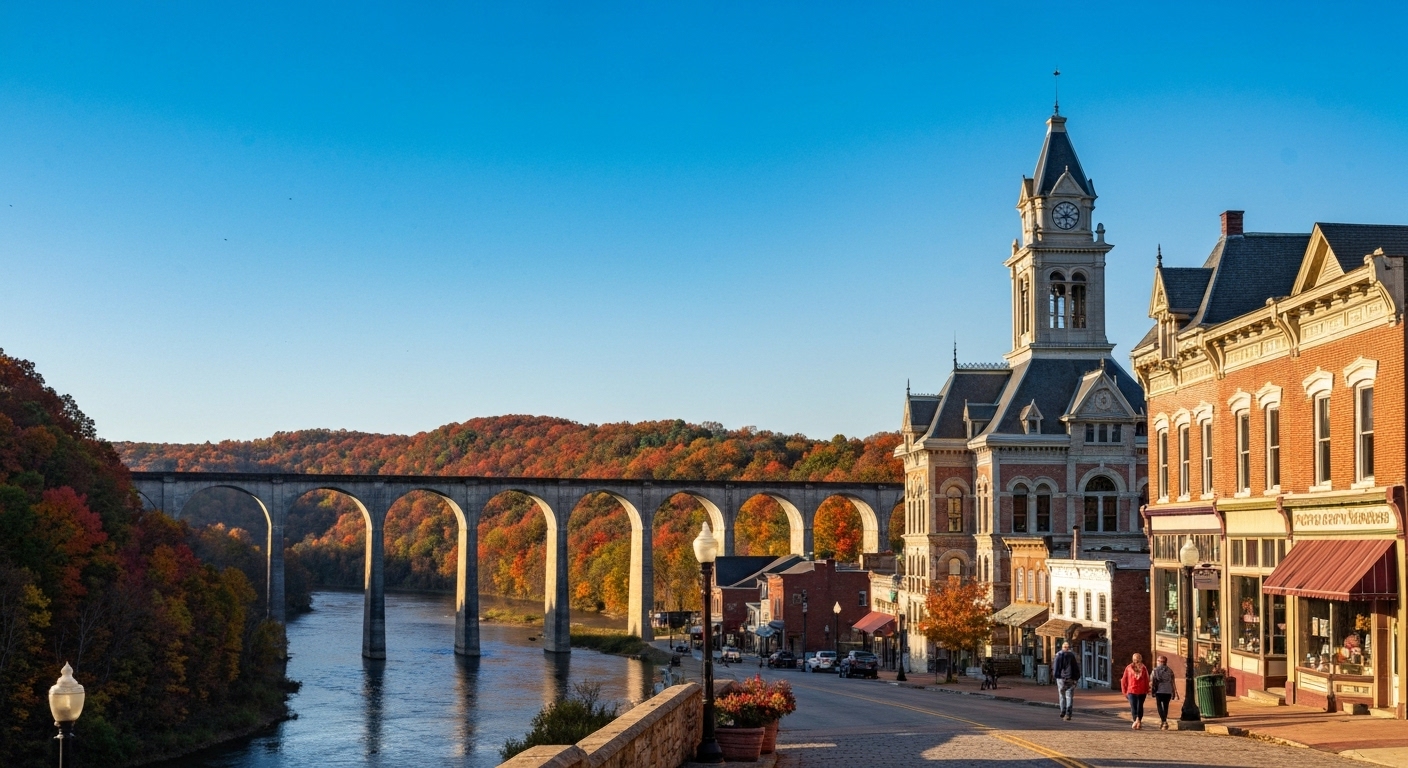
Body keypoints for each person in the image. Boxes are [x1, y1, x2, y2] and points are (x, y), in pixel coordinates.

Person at [1120, 653, 1151, 729]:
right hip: (1134, 690)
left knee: (1137, 706)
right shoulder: (1130, 668)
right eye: (1136, 658)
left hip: (1138, 690)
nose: (1137, 660)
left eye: (1138, 658)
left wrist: (1147, 689)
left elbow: (1146, 679)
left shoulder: (1142, 668)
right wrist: (1124, 691)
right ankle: (1137, 720)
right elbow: (1124, 680)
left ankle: (1137, 720)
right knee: (1136, 706)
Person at [1052, 641, 1081, 721]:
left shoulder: (1059, 655)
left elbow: (1056, 667)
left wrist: (1056, 676)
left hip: (1061, 678)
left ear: (1062, 647)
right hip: (1071, 678)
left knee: (1062, 695)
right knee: (1069, 696)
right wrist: (1076, 678)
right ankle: (1068, 713)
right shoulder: (1072, 656)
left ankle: (1063, 710)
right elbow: (1076, 668)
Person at [1150, 655, 1178, 729]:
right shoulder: (1170, 670)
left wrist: (1152, 691)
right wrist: (1174, 692)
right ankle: (1164, 722)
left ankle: (1164, 721)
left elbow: (1152, 681)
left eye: (1158, 661)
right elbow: (1173, 682)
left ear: (1159, 662)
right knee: (1166, 706)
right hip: (1168, 691)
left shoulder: (1155, 670)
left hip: (1159, 691)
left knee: (1159, 706)